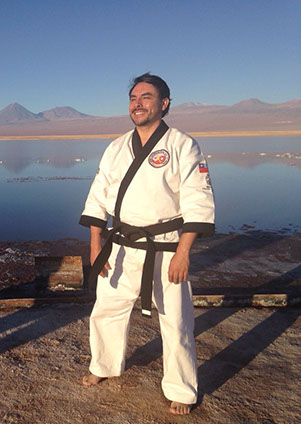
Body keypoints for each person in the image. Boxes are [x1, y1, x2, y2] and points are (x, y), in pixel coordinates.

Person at [79, 73, 215, 415]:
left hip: (166, 247)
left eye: (146, 97)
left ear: (164, 104)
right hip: (121, 245)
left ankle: (181, 390)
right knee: (106, 310)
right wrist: (95, 244)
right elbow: (98, 196)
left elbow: (198, 201)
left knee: (176, 320)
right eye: (133, 98)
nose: (137, 103)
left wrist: (183, 252)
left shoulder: (183, 145)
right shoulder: (116, 147)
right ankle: (104, 365)